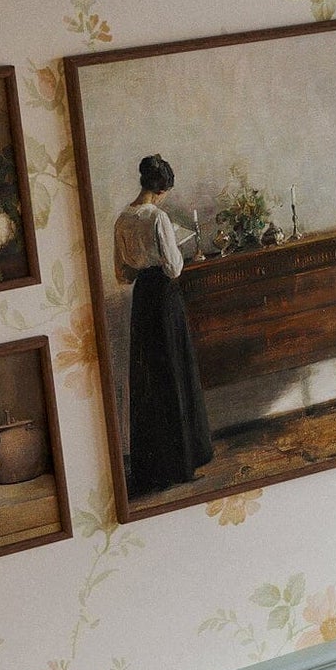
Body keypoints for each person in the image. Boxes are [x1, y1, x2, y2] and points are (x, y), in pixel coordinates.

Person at [114, 154, 212, 496]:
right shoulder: (158, 218)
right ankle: (183, 463)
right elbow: (174, 267)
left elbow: (122, 274)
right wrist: (171, 253)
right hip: (165, 298)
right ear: (161, 189)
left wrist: (141, 263)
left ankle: (154, 468)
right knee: (173, 372)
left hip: (143, 299)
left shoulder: (122, 220)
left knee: (150, 379)